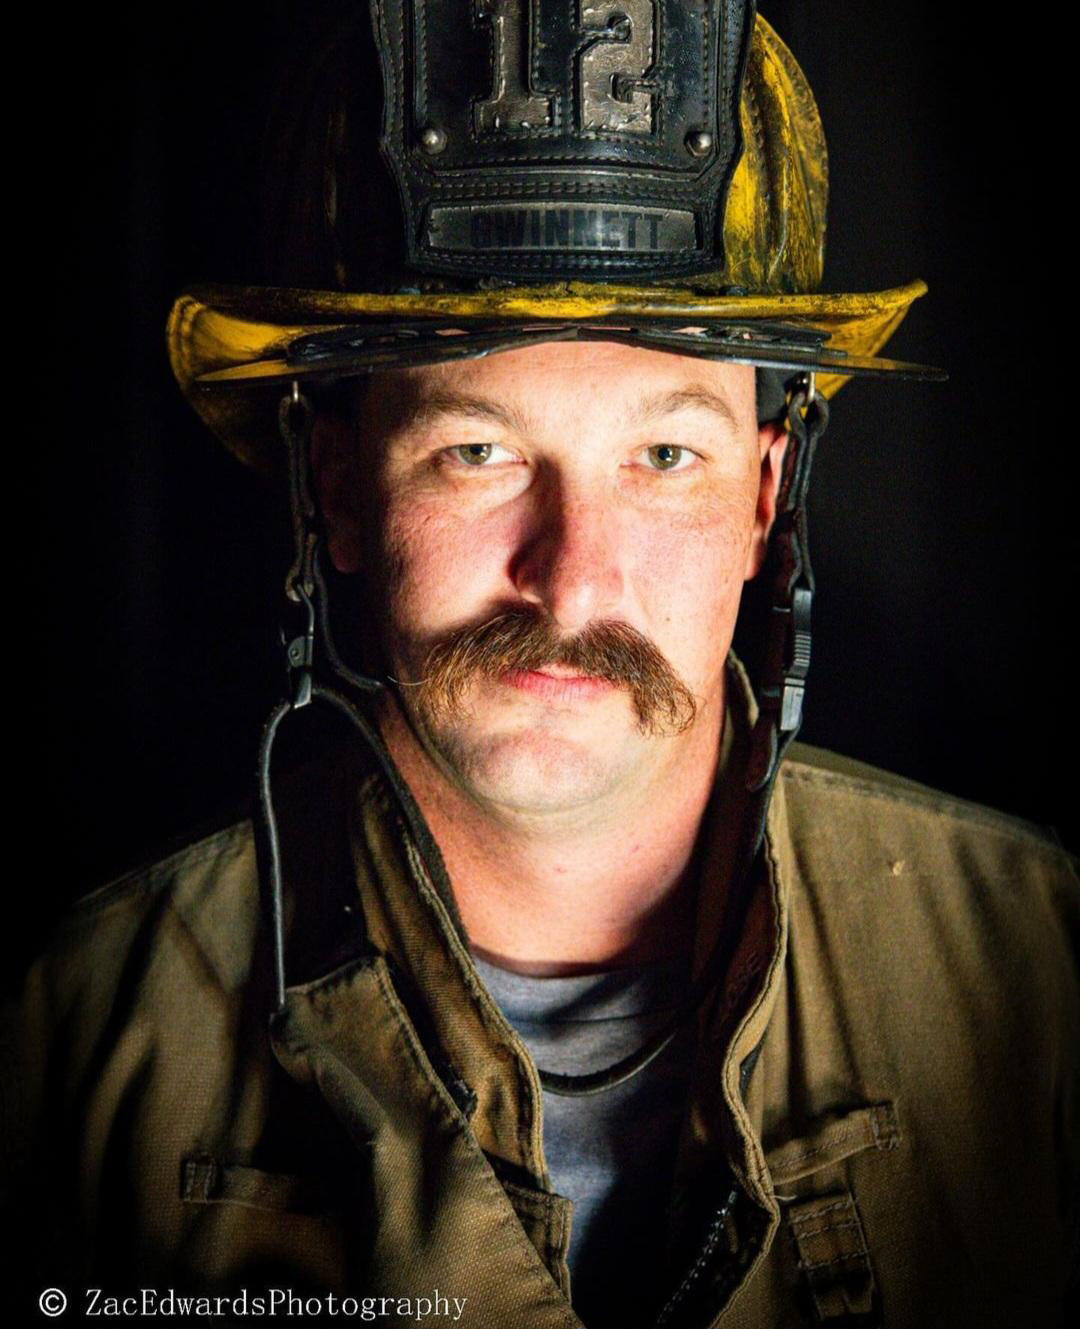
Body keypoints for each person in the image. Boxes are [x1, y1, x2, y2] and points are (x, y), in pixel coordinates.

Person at [5, 3, 1076, 1327]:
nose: (572, 582)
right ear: (336, 487)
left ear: (765, 500)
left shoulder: (1038, 980)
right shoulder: (85, 1044)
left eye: (664, 456)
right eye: (479, 451)